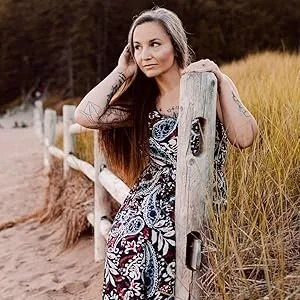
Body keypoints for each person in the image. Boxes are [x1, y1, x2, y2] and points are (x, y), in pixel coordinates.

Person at [74, 7, 258, 299]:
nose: (144, 54)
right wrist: (122, 71)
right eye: (137, 47)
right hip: (144, 206)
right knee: (128, 252)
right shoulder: (143, 104)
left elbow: (245, 137)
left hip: (197, 198)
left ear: (175, 44)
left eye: (154, 44)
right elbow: (86, 115)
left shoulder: (207, 84)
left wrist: (222, 80)